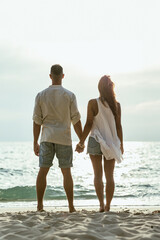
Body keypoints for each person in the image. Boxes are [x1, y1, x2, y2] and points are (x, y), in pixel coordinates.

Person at [33, 64, 82, 212]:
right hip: (64, 138)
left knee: (43, 171)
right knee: (66, 172)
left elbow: (37, 121)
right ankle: (71, 207)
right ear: (62, 76)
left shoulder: (41, 95)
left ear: (50, 76)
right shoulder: (69, 95)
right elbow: (76, 120)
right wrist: (81, 140)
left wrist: (35, 141)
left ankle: (40, 205)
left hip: (47, 138)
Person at [76, 75, 123, 212]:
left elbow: (89, 123)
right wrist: (121, 144)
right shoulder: (117, 105)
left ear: (99, 88)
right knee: (110, 176)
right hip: (111, 143)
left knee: (97, 175)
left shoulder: (93, 103)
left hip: (95, 140)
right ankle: (108, 206)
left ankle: (101, 205)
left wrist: (81, 142)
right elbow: (119, 126)